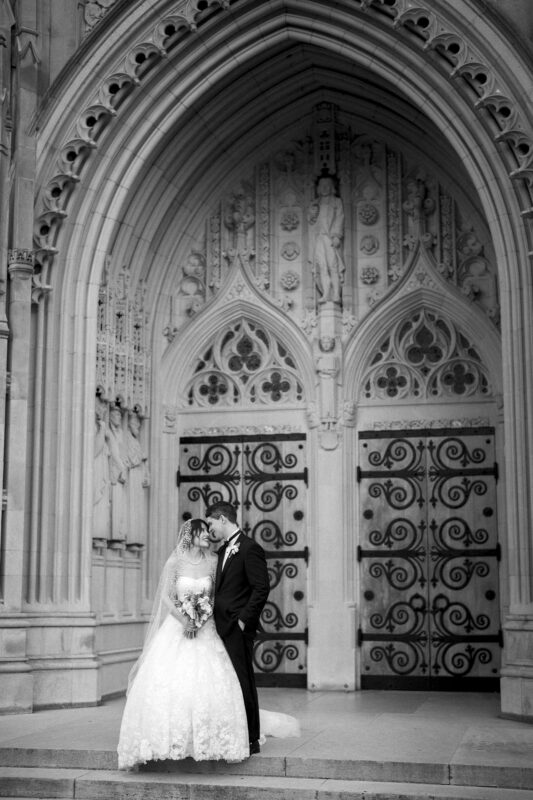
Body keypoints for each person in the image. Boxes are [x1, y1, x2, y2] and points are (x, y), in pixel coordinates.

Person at [117, 518, 250, 768]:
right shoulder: (175, 562)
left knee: (208, 683)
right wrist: (185, 619)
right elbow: (167, 598)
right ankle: (168, 741)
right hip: (177, 627)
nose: (207, 536)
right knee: (171, 683)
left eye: (207, 533)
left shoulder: (213, 563)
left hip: (207, 628)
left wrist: (201, 618)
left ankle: (207, 739)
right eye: (202, 533)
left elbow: (215, 597)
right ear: (191, 535)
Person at [205, 501, 270, 756]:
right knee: (228, 682)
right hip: (218, 626)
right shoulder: (222, 552)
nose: (210, 529)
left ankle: (252, 738)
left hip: (236, 626)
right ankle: (235, 732)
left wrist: (244, 620)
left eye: (211, 523)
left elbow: (261, 588)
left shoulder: (249, 548)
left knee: (243, 680)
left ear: (222, 519)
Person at [307, 174, 346, 304]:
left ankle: (336, 294)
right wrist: (311, 216)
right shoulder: (315, 203)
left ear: (332, 187)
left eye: (327, 185)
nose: (324, 188)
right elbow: (311, 222)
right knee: (322, 267)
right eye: (322, 186)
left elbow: (340, 218)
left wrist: (337, 236)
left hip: (330, 238)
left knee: (333, 266)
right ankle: (326, 293)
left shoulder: (336, 201)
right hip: (319, 238)